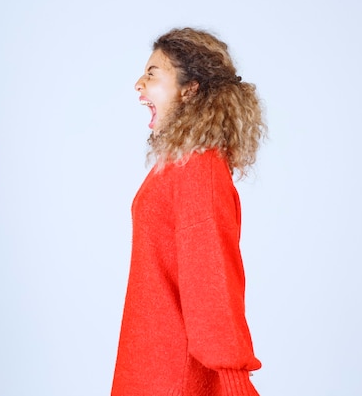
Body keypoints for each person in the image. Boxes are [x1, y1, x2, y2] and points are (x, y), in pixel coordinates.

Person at [112, 27, 268, 396]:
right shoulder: (180, 165)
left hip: (174, 375)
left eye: (152, 73)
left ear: (190, 88)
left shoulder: (200, 170)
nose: (139, 83)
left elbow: (211, 282)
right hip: (148, 364)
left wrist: (233, 380)